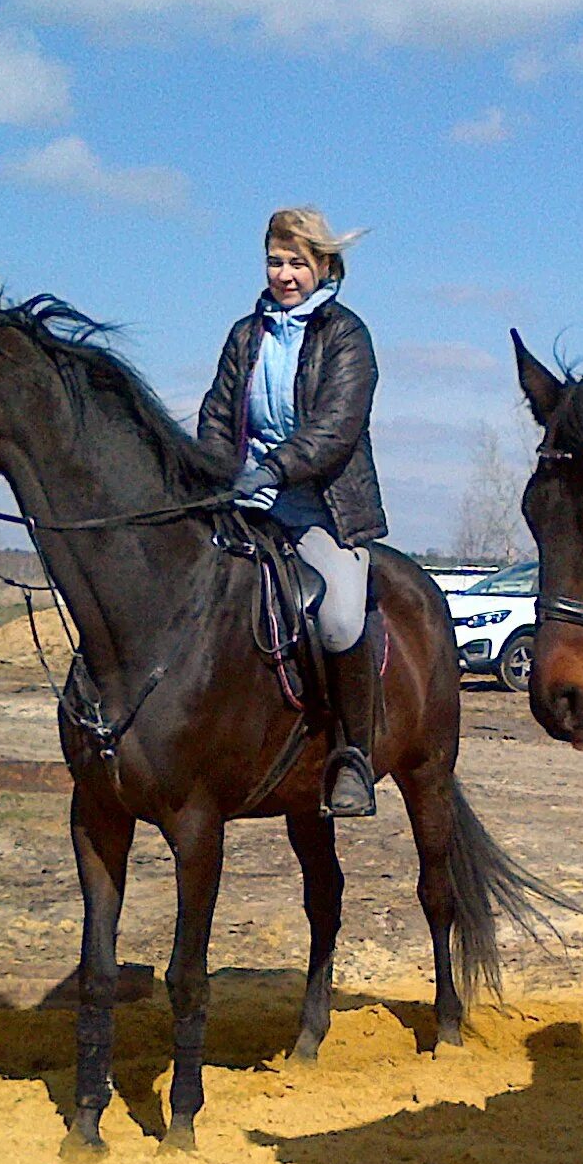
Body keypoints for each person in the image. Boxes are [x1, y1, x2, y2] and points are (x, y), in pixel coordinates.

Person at [197, 206, 388, 818]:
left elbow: (337, 428)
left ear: (324, 267)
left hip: (322, 508)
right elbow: (219, 414)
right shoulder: (244, 334)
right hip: (245, 502)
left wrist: (273, 470)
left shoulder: (346, 335)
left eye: (297, 263)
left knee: (336, 621)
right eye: (275, 262)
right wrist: (213, 475)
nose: (284, 275)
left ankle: (353, 756)